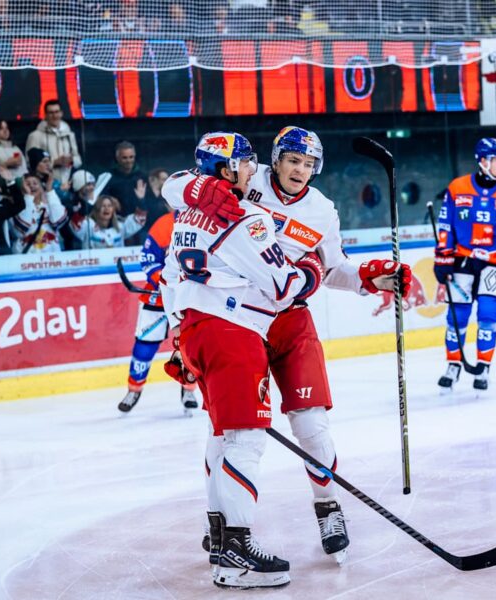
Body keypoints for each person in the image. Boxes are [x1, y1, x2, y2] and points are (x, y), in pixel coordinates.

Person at [164, 130, 409, 588]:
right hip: (240, 317)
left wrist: (370, 278)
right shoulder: (245, 177)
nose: (300, 170)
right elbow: (177, 186)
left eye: (308, 163)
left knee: (311, 423)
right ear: (274, 160)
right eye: (293, 160)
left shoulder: (322, 210)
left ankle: (328, 508)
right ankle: (224, 531)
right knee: (229, 431)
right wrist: (197, 187)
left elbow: (333, 268)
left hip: (287, 319)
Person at [433, 137, 496, 391]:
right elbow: (445, 226)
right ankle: (453, 364)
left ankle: (483, 366)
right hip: (463, 259)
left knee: (488, 312)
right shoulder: (457, 187)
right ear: (483, 161)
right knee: (457, 314)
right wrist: (442, 258)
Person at [117, 209, 199, 413]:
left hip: (189, 299)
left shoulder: (204, 222)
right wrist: (163, 283)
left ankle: (189, 389)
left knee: (191, 347)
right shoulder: (163, 225)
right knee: (145, 344)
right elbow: (148, 260)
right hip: (158, 297)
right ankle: (134, 389)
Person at [25, 99, 82, 183]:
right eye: (51, 113)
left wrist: (71, 160)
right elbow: (30, 164)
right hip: (46, 184)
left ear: (61, 113)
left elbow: (78, 160)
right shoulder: (35, 136)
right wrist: (55, 162)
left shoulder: (69, 134)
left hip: (68, 183)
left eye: (57, 112)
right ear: (45, 115)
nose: (54, 116)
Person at [11, 173, 67, 254]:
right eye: (27, 184)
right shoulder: (15, 209)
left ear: (41, 188)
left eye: (35, 183)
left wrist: (49, 190)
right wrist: (28, 196)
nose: (31, 186)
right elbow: (21, 228)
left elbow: (58, 221)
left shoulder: (50, 206)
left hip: (51, 258)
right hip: (26, 259)